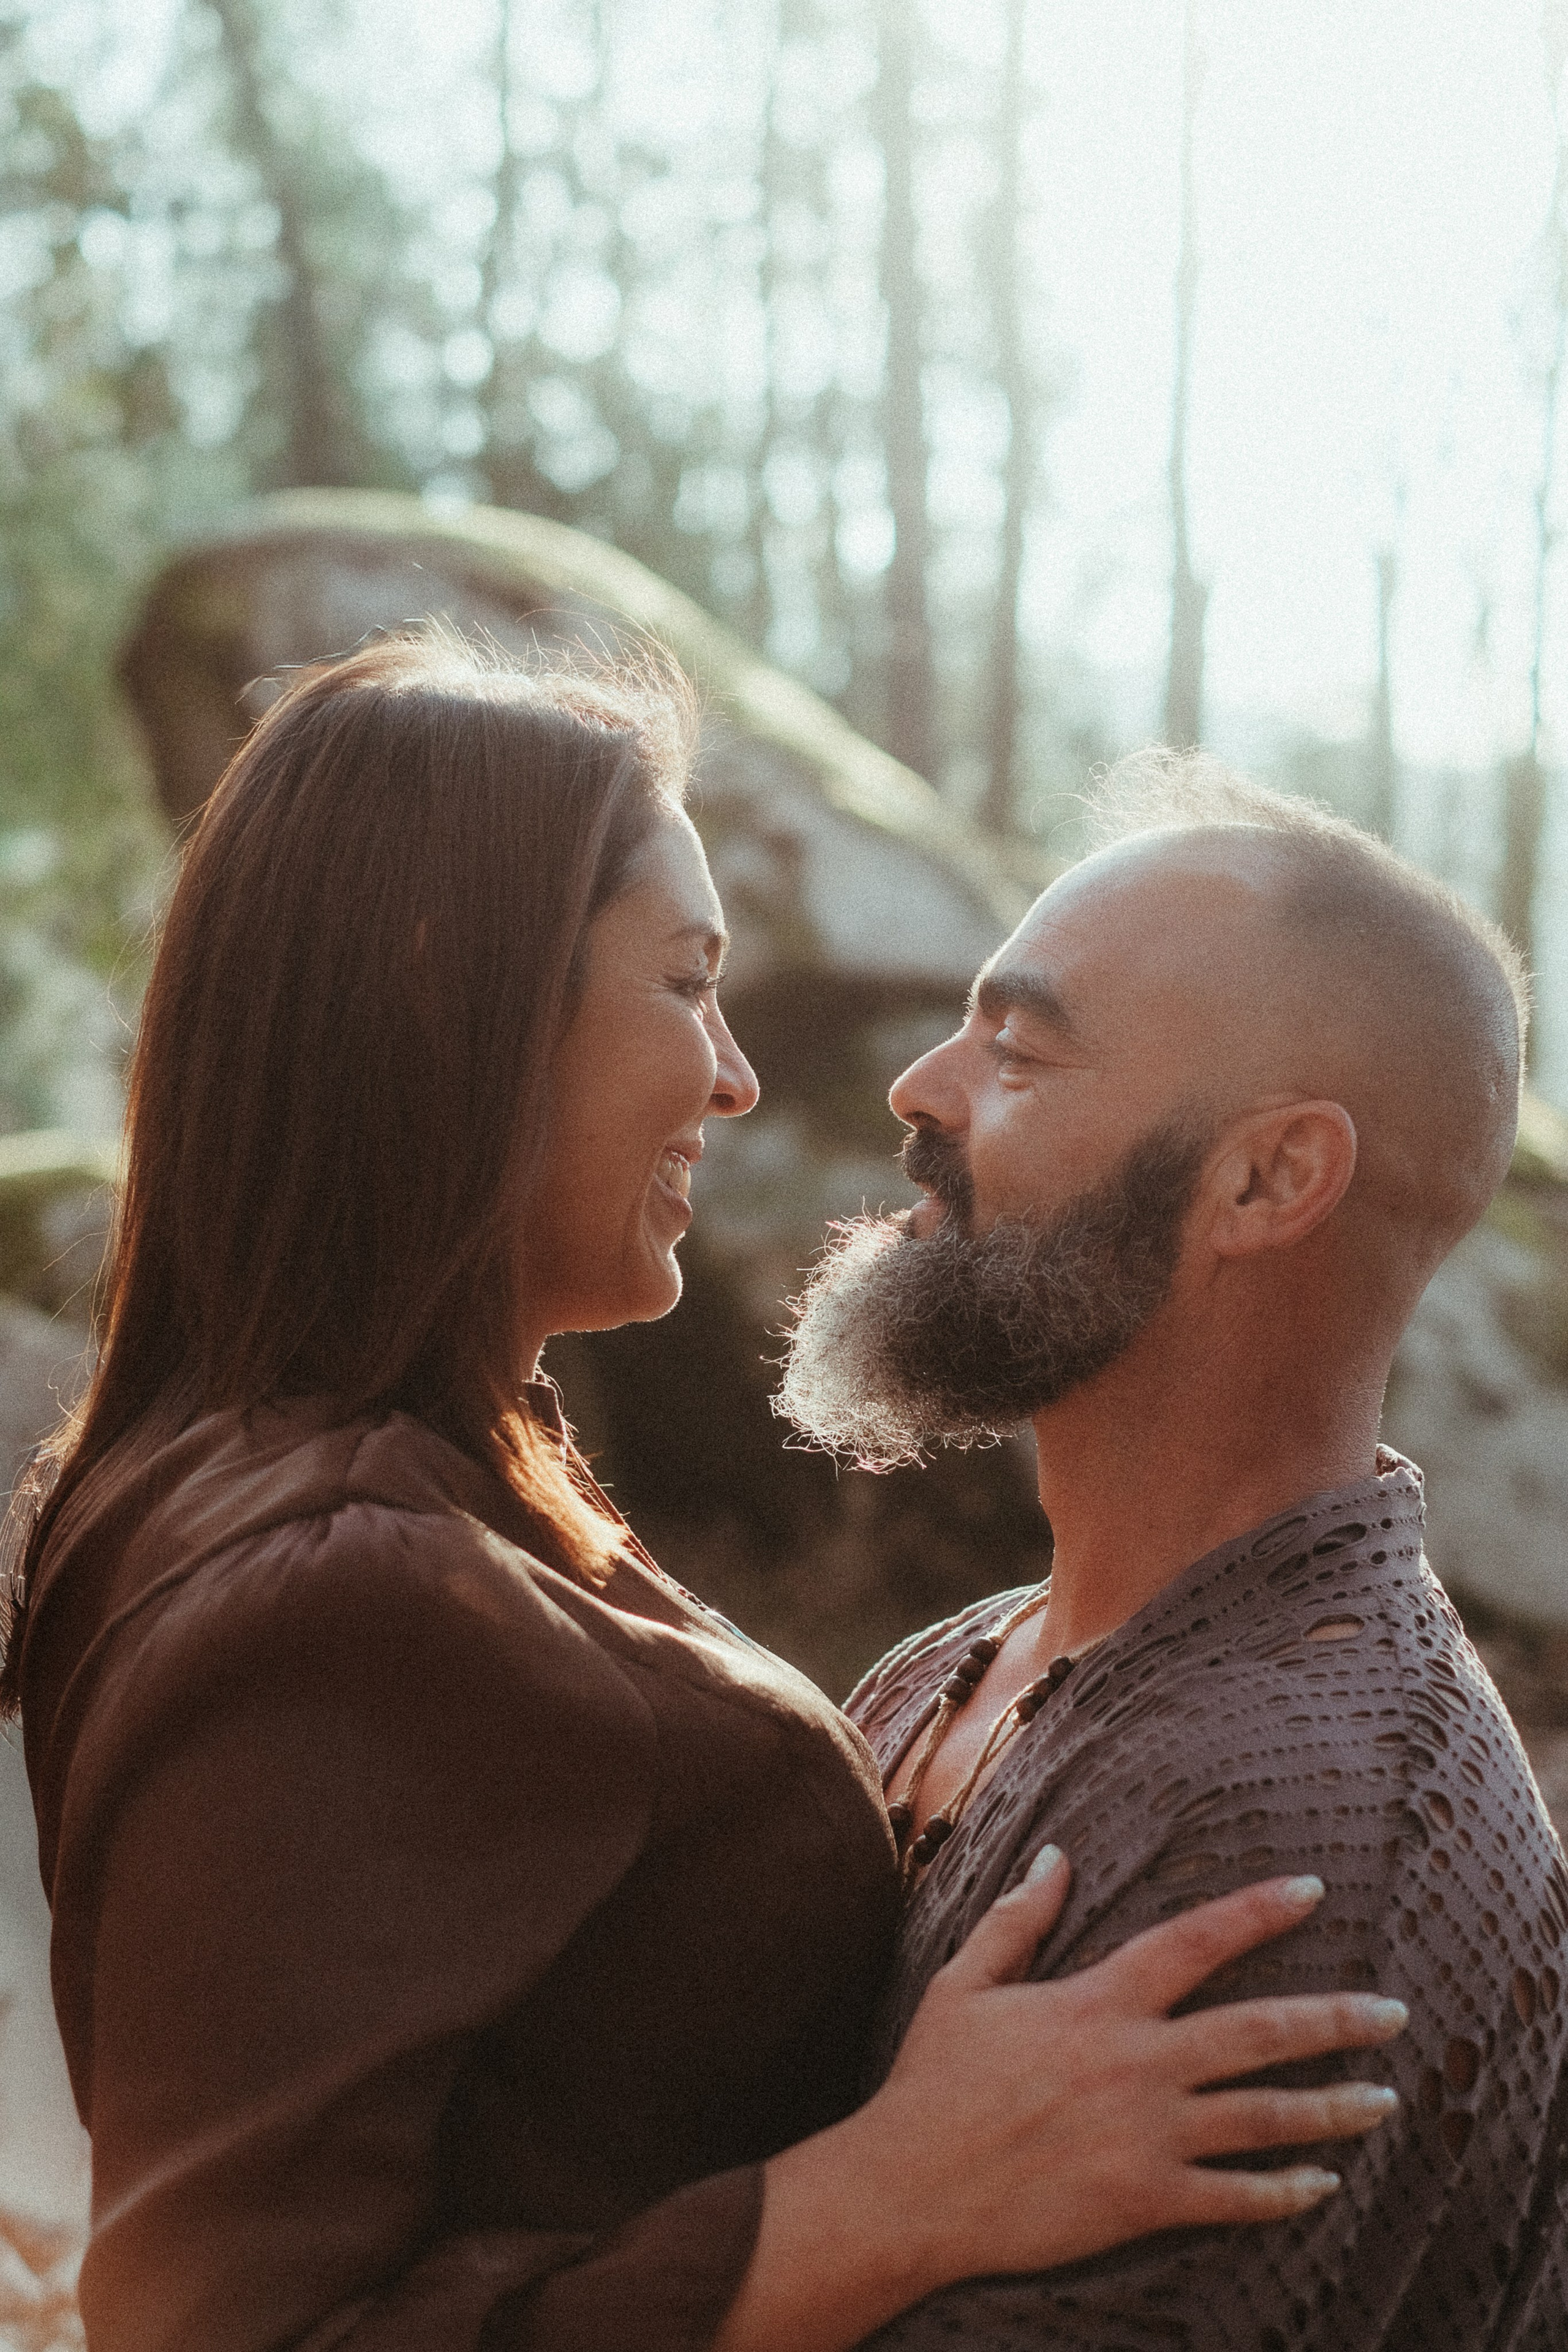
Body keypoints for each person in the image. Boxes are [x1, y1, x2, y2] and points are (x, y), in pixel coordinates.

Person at [0, 651, 1407, 2352]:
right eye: (684, 984)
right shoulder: (340, 1579)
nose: (737, 1077)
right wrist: (879, 2204)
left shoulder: (342, 1468)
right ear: (458, 995)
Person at [778, 750, 1568, 2350]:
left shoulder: (1288, 1858)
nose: (920, 1089)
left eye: (1021, 1046)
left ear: (1268, 1178)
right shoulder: (964, 1660)